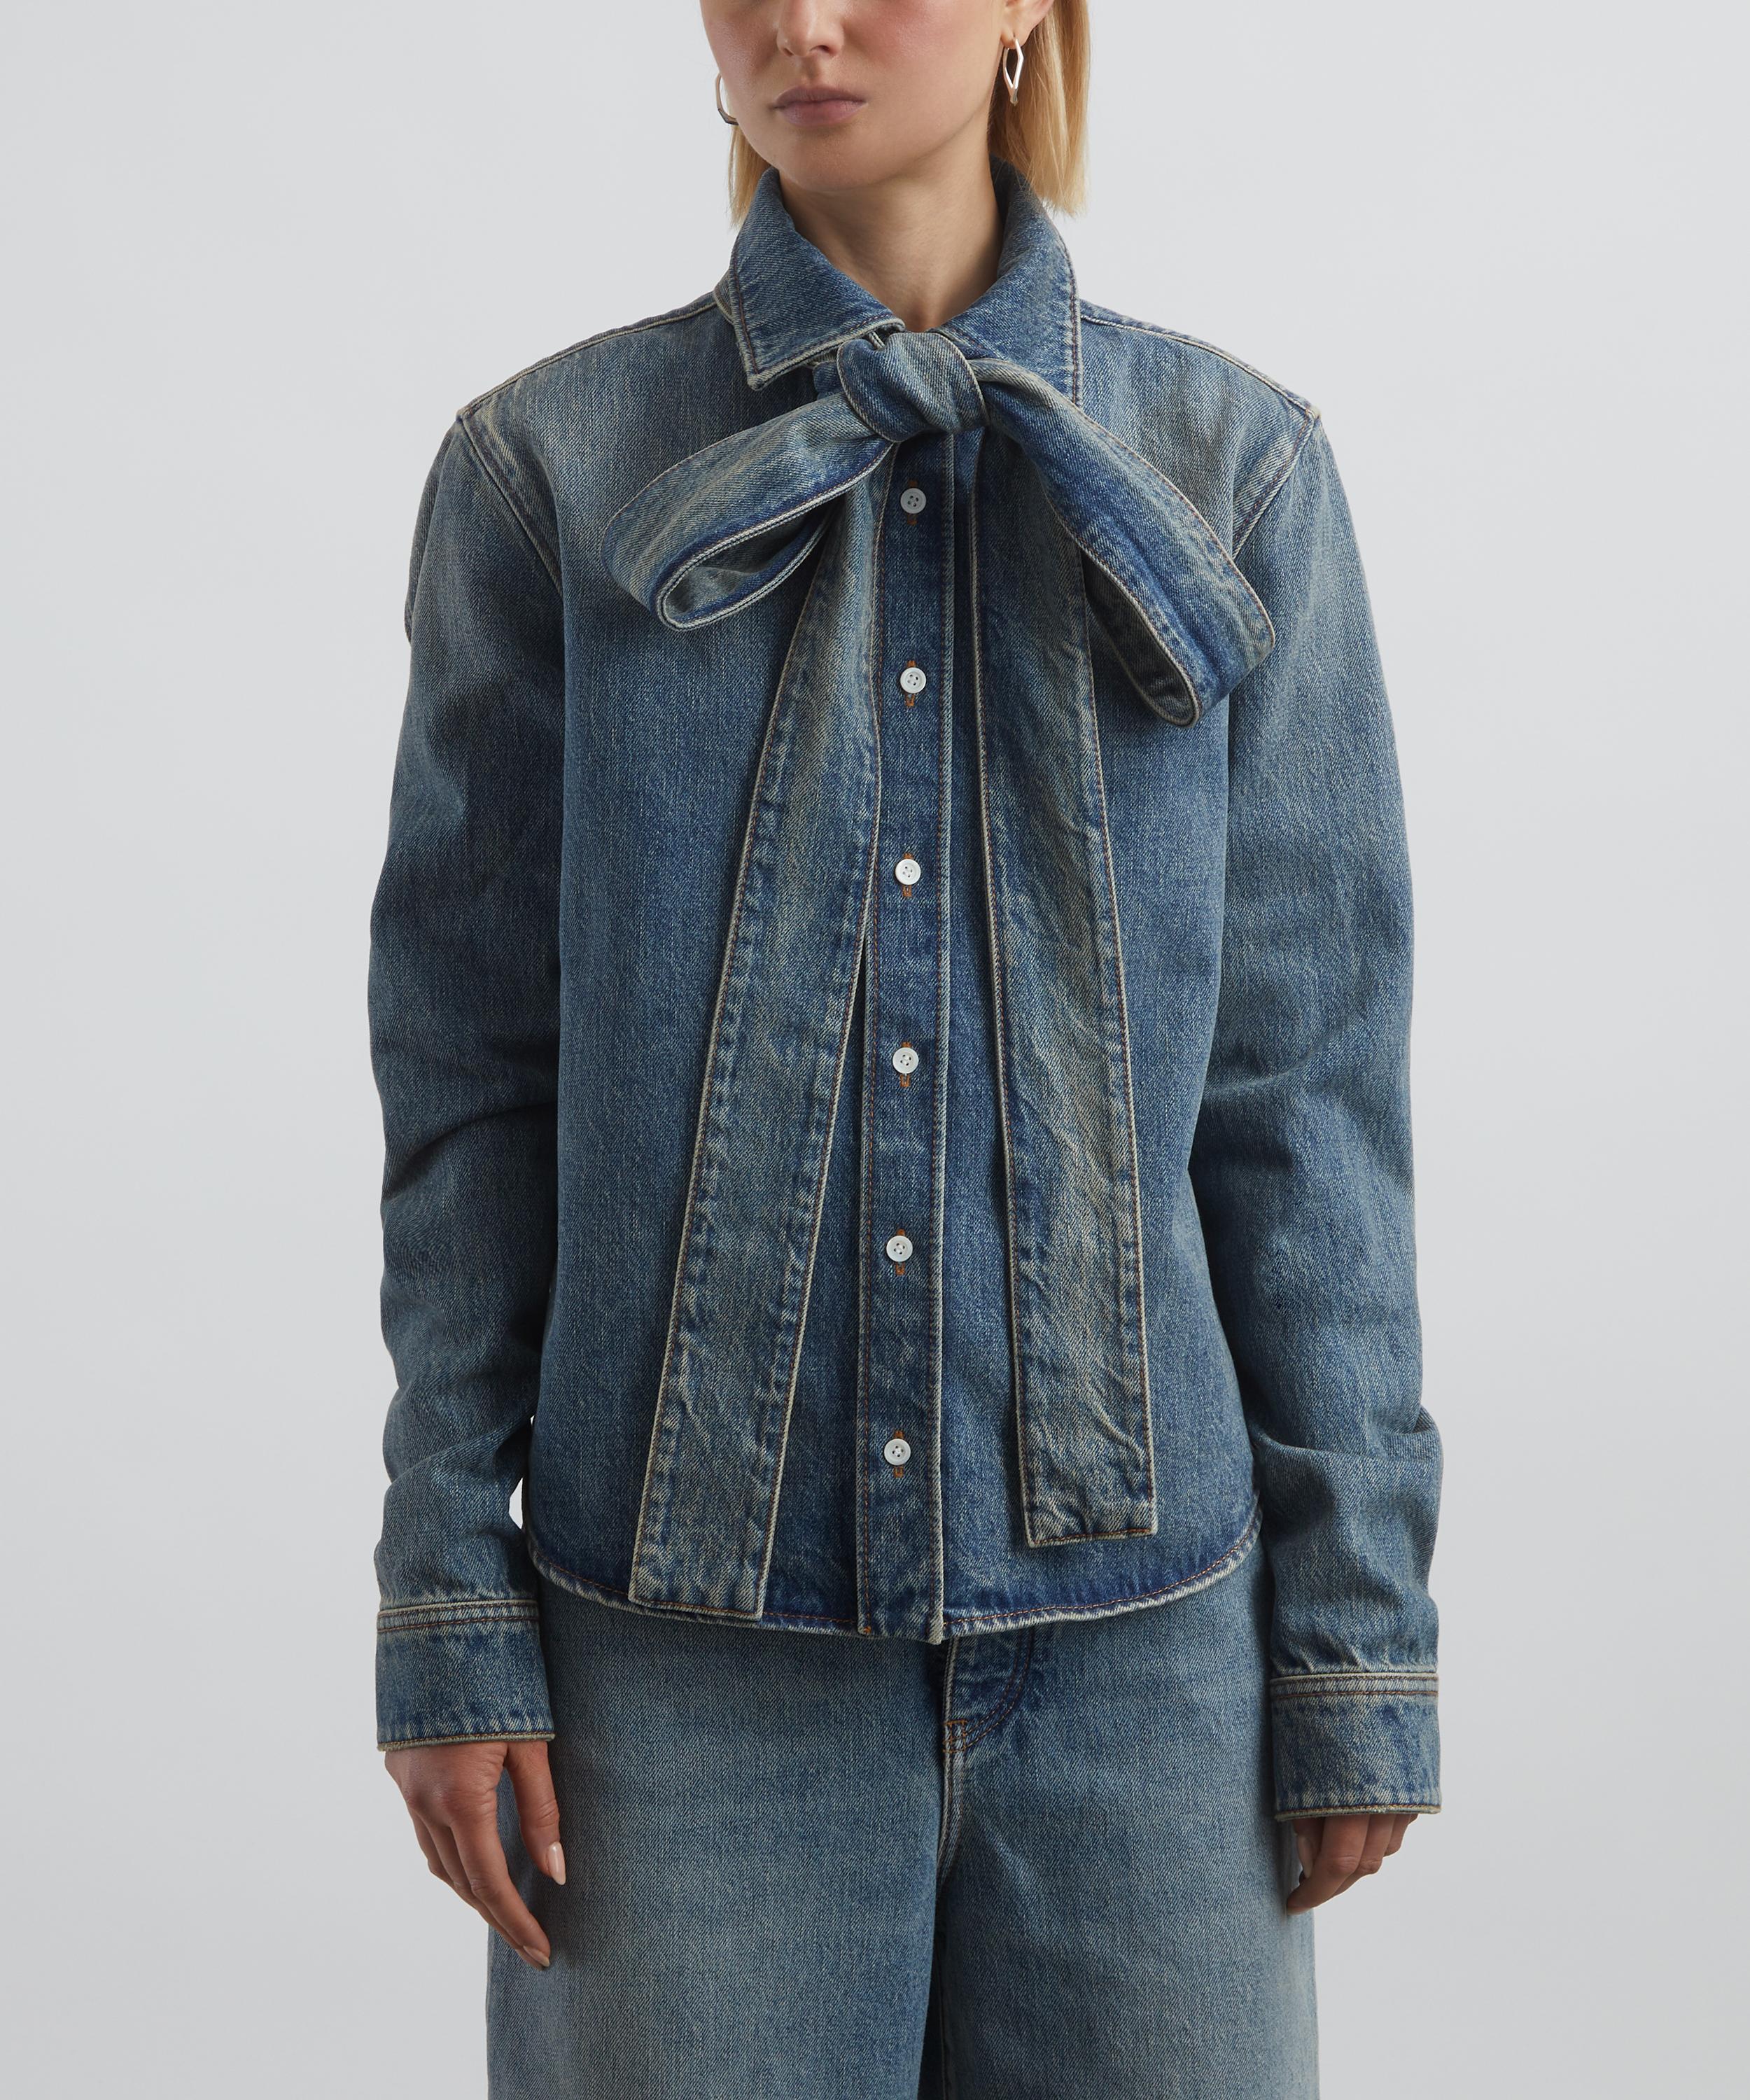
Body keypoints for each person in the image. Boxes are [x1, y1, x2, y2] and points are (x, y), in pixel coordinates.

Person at [367, 3, 1443, 2092]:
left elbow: (1306, 1100)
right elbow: (471, 1093)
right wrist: (447, 1602)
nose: (804, 21)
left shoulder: (1238, 471)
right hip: (671, 1681)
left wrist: (1356, 1638)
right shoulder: (548, 474)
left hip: (1155, 1669)